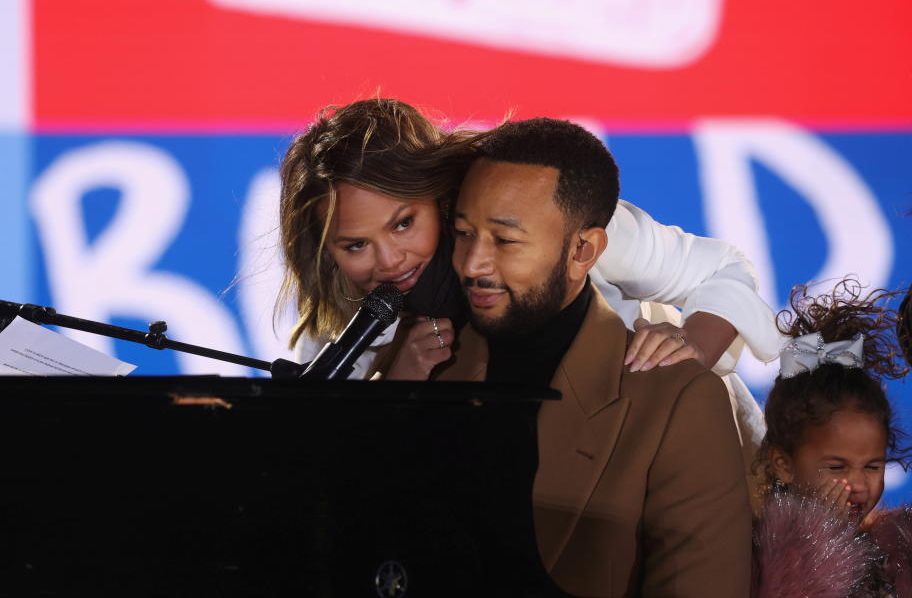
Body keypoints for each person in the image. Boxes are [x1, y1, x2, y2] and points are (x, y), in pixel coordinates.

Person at [278, 99, 781, 415]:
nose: (388, 260)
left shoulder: (540, 213)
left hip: (677, 464)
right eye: (354, 245)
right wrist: (398, 379)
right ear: (324, 252)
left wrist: (688, 350)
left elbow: (722, 268)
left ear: (439, 194)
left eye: (404, 223)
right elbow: (333, 468)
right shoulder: (336, 322)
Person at [434, 117, 751, 597]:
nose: (472, 263)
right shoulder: (425, 363)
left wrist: (694, 350)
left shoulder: (678, 402)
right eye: (461, 233)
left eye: (505, 241)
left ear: (585, 250)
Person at [753, 279, 911, 598]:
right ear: (783, 464)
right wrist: (817, 542)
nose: (858, 484)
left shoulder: (898, 543)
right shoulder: (769, 551)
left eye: (872, 466)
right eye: (837, 468)